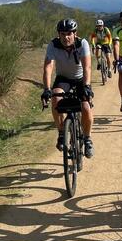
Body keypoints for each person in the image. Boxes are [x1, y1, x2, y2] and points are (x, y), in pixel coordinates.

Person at [41, 18, 95, 158]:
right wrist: (46, 89)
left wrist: (87, 85)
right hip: (63, 79)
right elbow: (48, 67)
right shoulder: (53, 45)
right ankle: (61, 133)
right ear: (59, 34)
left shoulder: (82, 43)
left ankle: (87, 139)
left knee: (85, 107)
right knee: (55, 98)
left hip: (80, 79)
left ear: (75, 33)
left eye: (69, 33)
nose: (66, 37)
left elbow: (87, 66)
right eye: (62, 34)